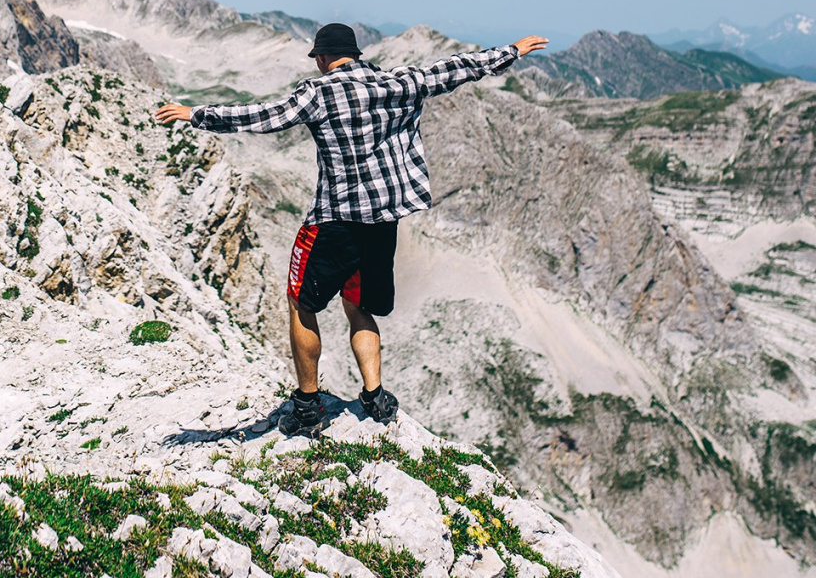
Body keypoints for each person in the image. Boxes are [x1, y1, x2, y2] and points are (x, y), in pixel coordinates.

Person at [154, 22, 548, 436]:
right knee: (358, 305)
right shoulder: (398, 82)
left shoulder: (319, 92)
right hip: (383, 222)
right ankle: (375, 397)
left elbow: (265, 117)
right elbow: (452, 69)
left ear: (323, 58)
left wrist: (196, 115)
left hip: (335, 221)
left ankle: (307, 407)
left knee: (301, 304)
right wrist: (511, 51)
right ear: (356, 53)